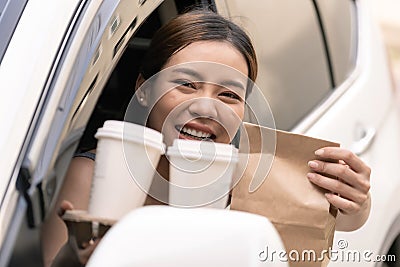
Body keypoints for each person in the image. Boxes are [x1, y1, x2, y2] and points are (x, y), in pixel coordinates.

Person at [41, 8, 371, 267]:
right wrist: (75, 257)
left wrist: (357, 202)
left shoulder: (252, 179)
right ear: (144, 89)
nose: (206, 107)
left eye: (229, 95)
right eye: (186, 84)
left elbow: (336, 221)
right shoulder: (97, 174)